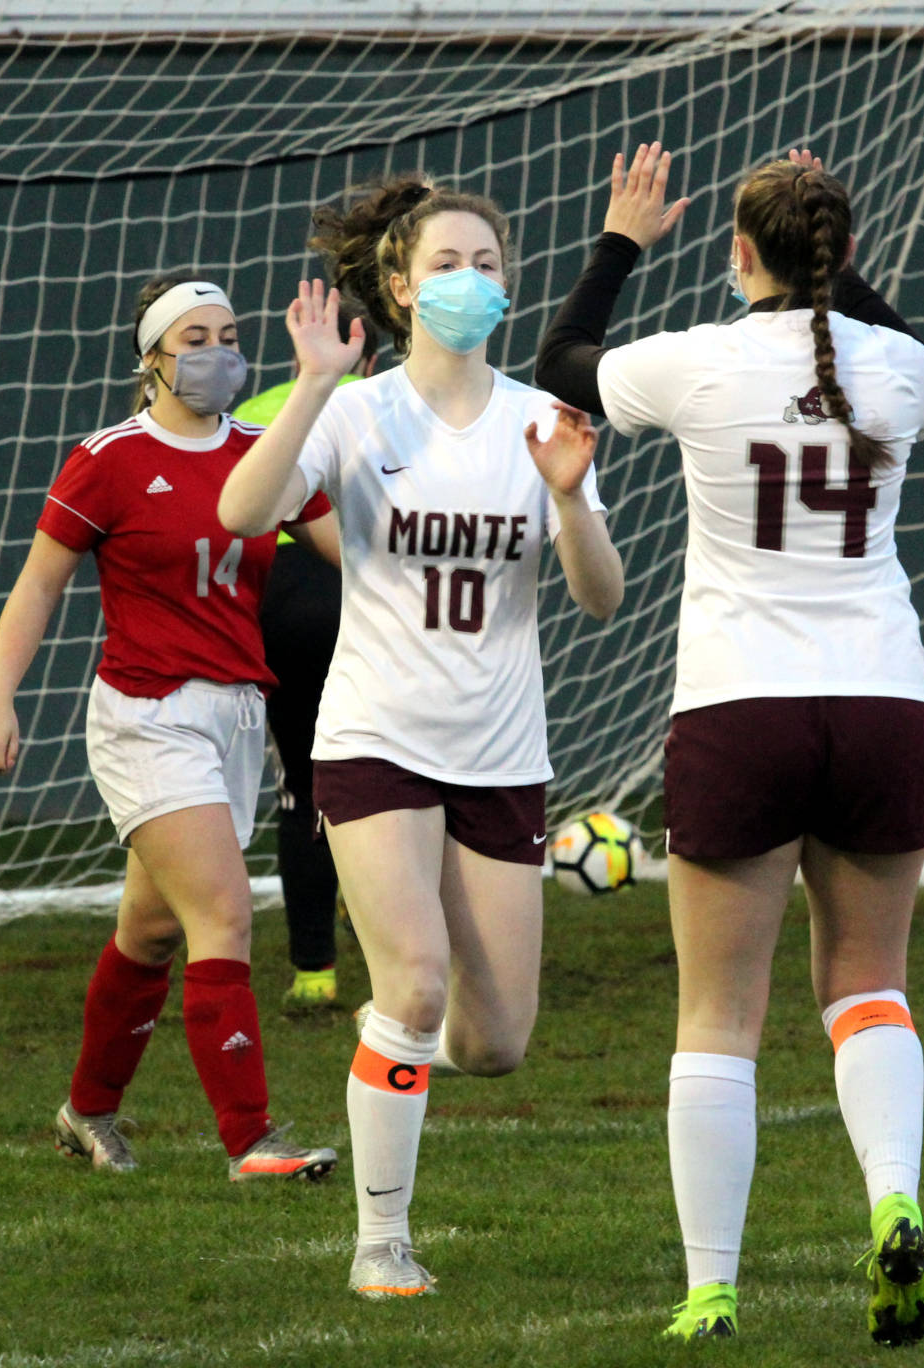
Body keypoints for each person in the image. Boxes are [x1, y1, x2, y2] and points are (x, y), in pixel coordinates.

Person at [534, 143, 924, 1348]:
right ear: (845, 252)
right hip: (879, 702)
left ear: (738, 253)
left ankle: (711, 1290)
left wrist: (620, 240)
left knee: (718, 1013)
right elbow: (875, 334)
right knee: (869, 986)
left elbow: (558, 364)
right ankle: (894, 1202)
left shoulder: (692, 361)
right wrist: (824, 253)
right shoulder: (904, 369)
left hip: (739, 708)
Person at [217, 175, 624, 1299]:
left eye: (485, 264)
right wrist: (307, 386)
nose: (468, 283)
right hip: (373, 737)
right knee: (415, 984)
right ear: (396, 287)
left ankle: (385, 1048)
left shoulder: (541, 421)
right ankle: (379, 1245)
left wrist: (574, 500)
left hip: (501, 749)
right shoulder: (355, 411)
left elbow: (599, 597)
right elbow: (242, 513)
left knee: (491, 1042)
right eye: (444, 266)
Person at [0, 273, 340, 1183]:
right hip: (147, 713)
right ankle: (252, 1141)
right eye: (195, 339)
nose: (218, 352)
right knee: (221, 911)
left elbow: (359, 557)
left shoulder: (266, 452)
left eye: (229, 334)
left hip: (237, 715)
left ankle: (85, 1111)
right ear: (153, 361)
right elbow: (40, 584)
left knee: (150, 933)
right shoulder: (109, 457)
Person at [234, 307, 379, 1012]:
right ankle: (381, 912)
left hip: (276, 601)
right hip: (363, 588)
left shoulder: (255, 412)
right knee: (392, 772)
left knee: (304, 787)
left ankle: (314, 972)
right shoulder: (386, 403)